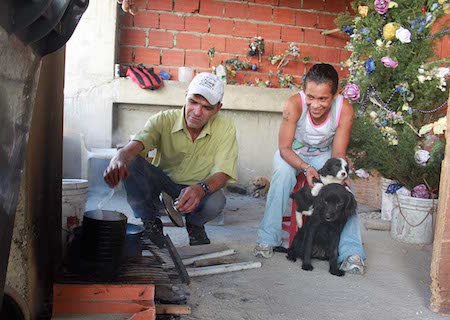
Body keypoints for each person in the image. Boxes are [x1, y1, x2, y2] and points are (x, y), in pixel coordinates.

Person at [253, 63, 367, 274]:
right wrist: (305, 167)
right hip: (293, 152)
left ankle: (352, 252)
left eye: (323, 98)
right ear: (304, 92)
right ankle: (267, 239)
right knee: (283, 175)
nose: (315, 105)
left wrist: (339, 178)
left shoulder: (344, 110)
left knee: (345, 192)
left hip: (325, 155)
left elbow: (338, 153)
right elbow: (284, 148)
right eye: (310, 97)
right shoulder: (294, 104)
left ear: (335, 95)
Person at [104, 72, 238, 246]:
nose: (197, 112)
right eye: (193, 102)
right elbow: (136, 145)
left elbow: (223, 172)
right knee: (132, 162)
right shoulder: (163, 120)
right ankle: (151, 222)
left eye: (207, 107)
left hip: (197, 187)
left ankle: (195, 225)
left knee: (217, 201)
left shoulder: (225, 127)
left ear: (218, 108)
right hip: (163, 184)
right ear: (186, 96)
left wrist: (200, 189)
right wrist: (120, 157)